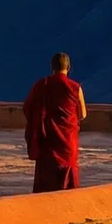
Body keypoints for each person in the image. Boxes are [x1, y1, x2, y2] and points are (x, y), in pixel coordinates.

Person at [23, 52, 87, 192]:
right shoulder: (75, 87)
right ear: (69, 67)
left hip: (47, 141)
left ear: (51, 67)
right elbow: (82, 114)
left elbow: (28, 108)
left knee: (46, 182)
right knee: (68, 181)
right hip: (67, 142)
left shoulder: (41, 85)